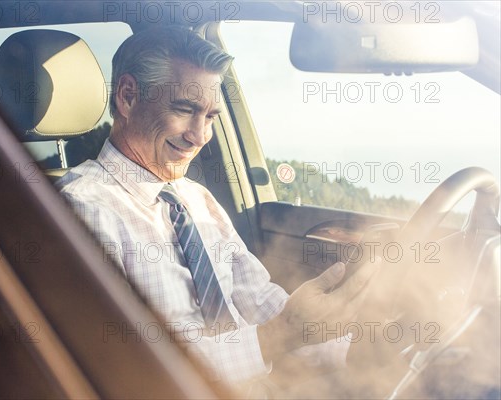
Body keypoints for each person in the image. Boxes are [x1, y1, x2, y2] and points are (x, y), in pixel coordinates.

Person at [56, 26, 379, 386]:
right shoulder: (81, 212)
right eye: (184, 109)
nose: (200, 136)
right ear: (128, 97)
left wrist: (360, 348)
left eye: (210, 117)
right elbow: (129, 368)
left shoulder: (196, 200)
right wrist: (282, 334)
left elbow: (257, 297)